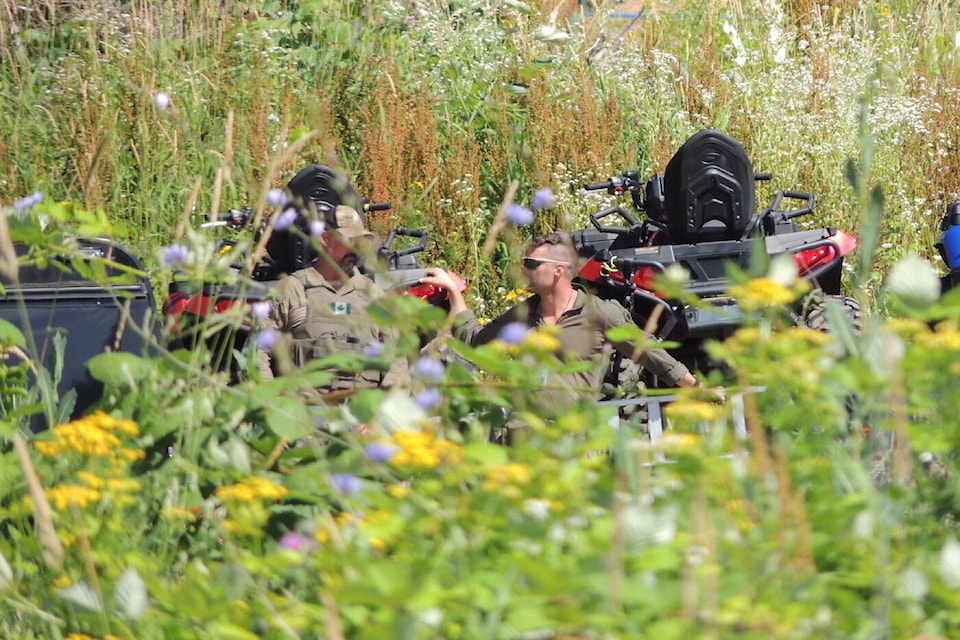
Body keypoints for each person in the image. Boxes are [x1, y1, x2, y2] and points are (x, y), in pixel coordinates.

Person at [419, 232, 706, 418]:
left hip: (578, 440)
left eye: (531, 263)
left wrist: (697, 387)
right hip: (530, 439)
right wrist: (454, 294)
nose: (523, 270)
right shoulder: (522, 315)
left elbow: (651, 355)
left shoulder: (599, 313)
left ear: (558, 271)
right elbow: (477, 342)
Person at [257, 168, 407, 398]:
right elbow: (257, 354)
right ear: (325, 239)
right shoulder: (293, 290)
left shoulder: (376, 298)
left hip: (361, 424)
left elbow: (397, 368)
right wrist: (277, 407)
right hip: (304, 422)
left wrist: (377, 417)